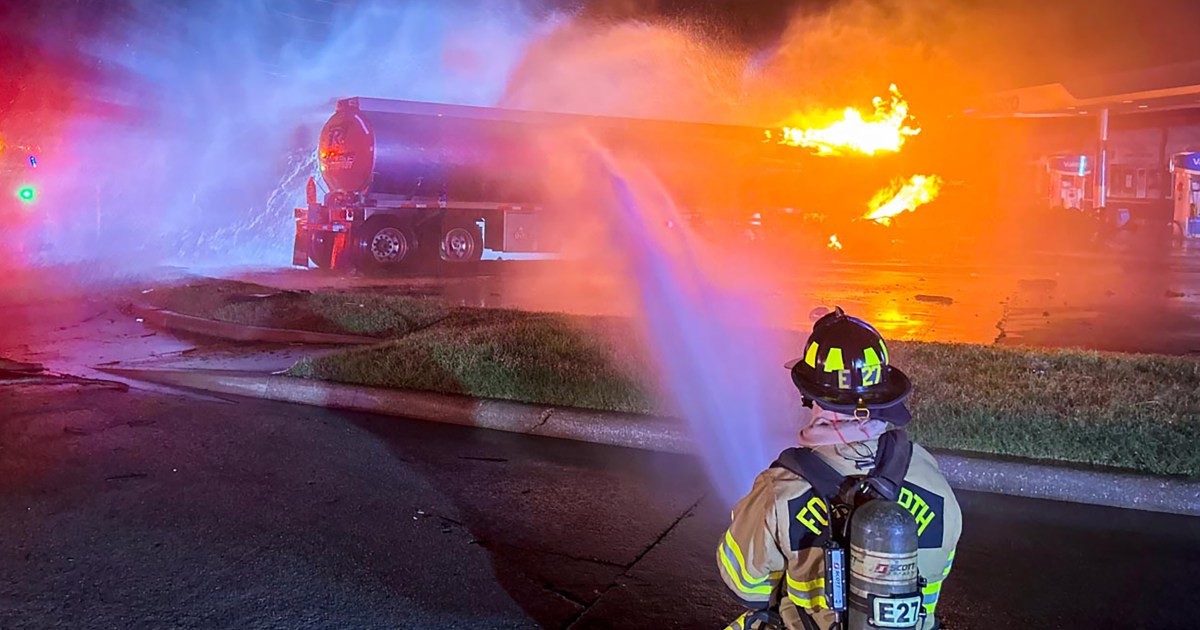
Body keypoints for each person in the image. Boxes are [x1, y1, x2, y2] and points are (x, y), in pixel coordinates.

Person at [718, 307, 961, 630]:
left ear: (810, 397)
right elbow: (938, 573)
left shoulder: (781, 490)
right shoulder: (931, 479)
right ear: (882, 396)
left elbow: (744, 586)